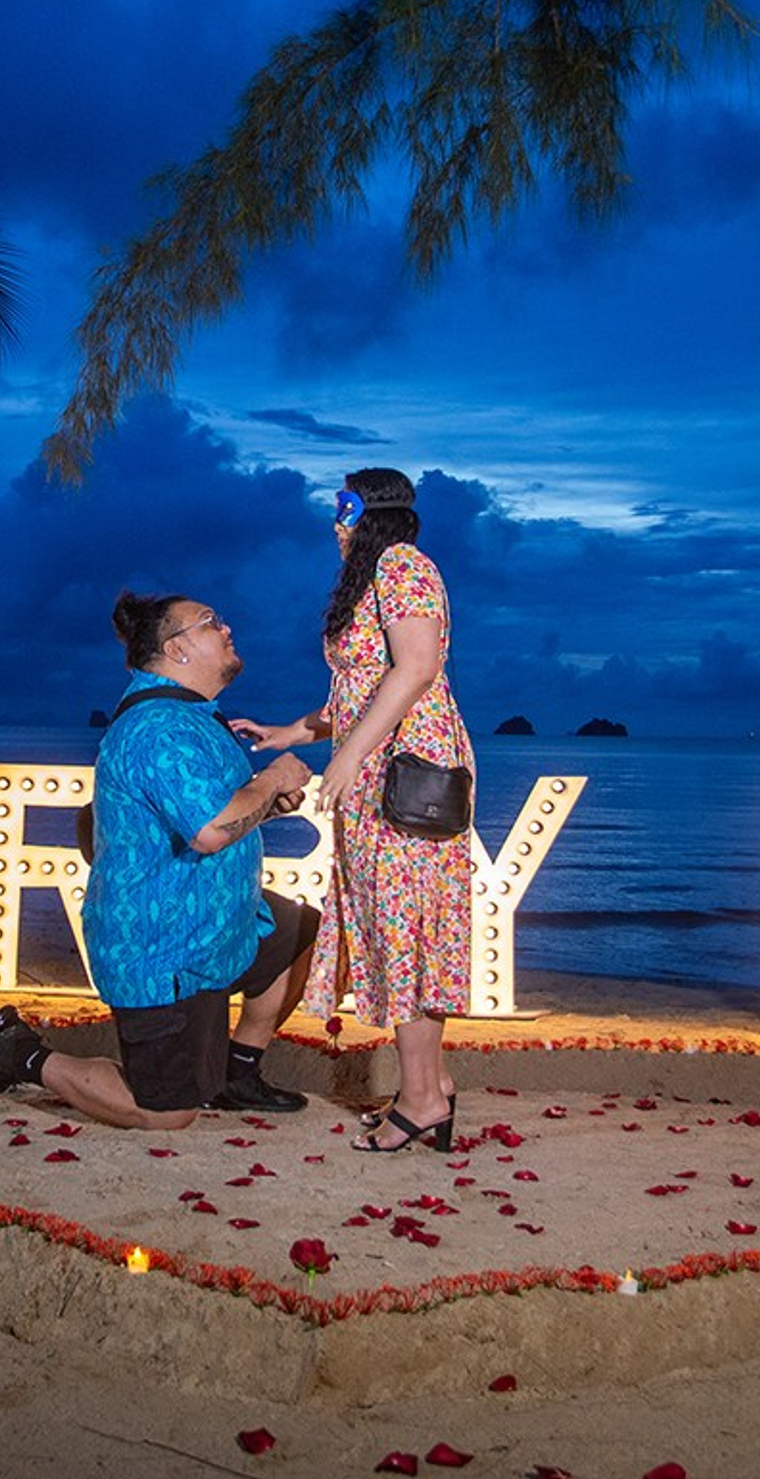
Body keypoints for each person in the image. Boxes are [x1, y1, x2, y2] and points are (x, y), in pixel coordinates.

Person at [0, 591, 317, 1129]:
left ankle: (239, 1073)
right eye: (211, 622)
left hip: (219, 925)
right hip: (162, 950)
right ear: (177, 649)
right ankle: (21, 1054)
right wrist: (271, 781)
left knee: (301, 932)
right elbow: (213, 830)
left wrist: (263, 805)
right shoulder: (158, 728)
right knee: (167, 1114)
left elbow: (218, 814)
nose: (227, 626)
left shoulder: (195, 718)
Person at [232, 468, 474, 1154]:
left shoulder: (403, 565)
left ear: (372, 515)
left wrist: (344, 758)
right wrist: (292, 733)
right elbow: (358, 695)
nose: (335, 523)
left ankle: (424, 1097)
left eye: (345, 509)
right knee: (398, 930)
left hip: (406, 776)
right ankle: (430, 1088)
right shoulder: (377, 577)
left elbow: (417, 667)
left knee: (409, 929)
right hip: (378, 771)